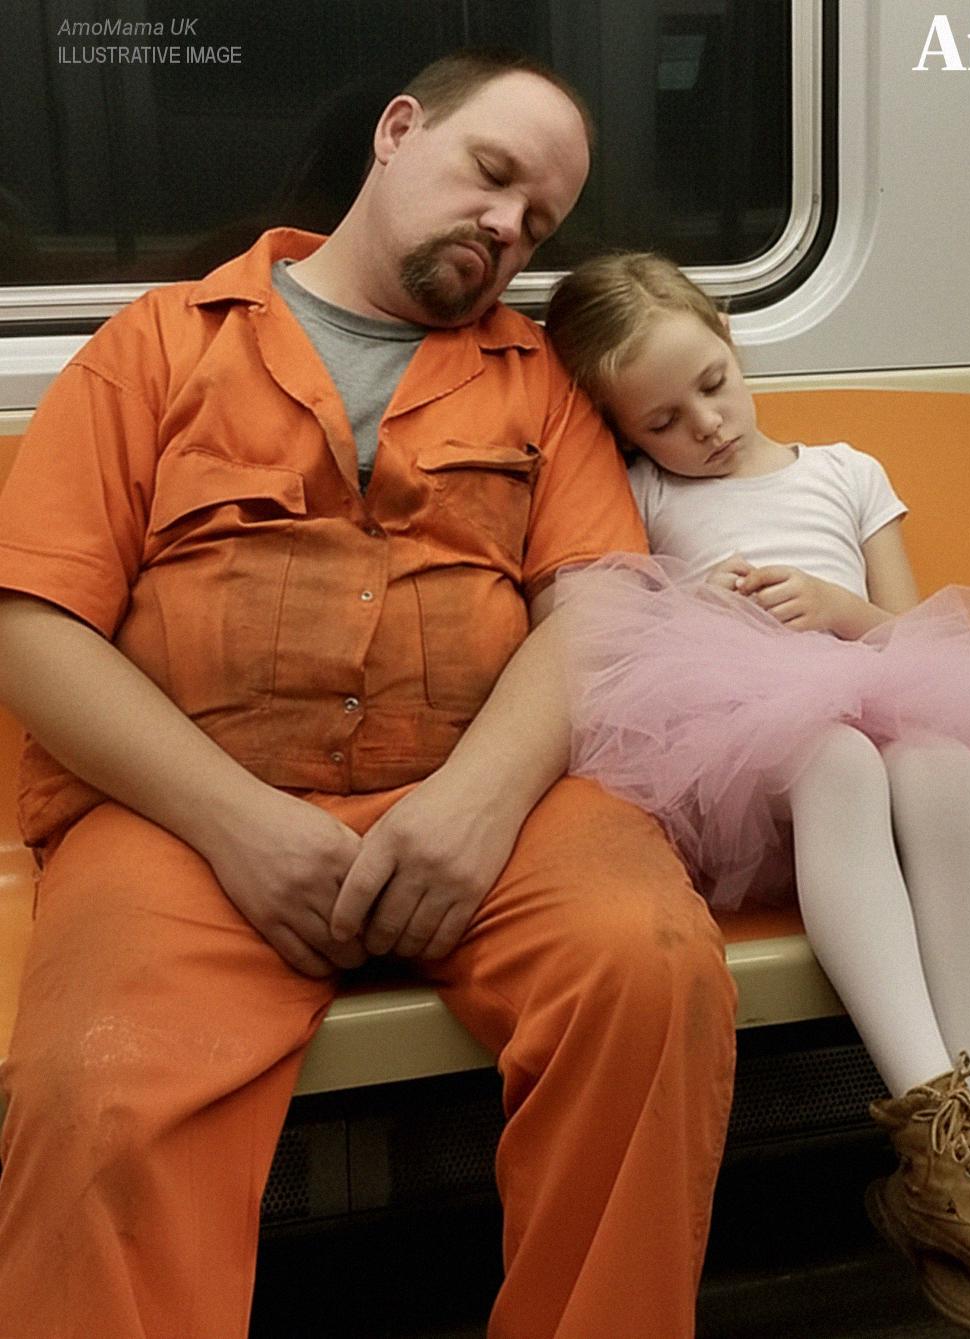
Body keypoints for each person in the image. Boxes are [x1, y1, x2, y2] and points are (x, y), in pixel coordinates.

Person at [0, 59, 738, 1339]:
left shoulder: (540, 382)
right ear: (398, 132)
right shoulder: (159, 342)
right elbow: (32, 620)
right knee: (92, 1088)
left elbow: (598, 607)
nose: (507, 227)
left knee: (652, 971)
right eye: (492, 175)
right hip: (188, 810)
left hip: (492, 798)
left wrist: (476, 804)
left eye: (539, 223)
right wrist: (237, 824)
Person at [544, 251, 970, 1339]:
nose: (704, 424)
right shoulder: (648, 496)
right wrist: (705, 606)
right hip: (751, 768)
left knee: (943, 759)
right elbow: (619, 629)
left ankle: (953, 1161)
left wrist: (835, 607)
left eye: (712, 384)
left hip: (876, 706)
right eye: (662, 420)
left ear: (730, 343)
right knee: (835, 756)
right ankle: (962, 1156)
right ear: (626, 434)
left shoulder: (845, 470)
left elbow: (916, 637)